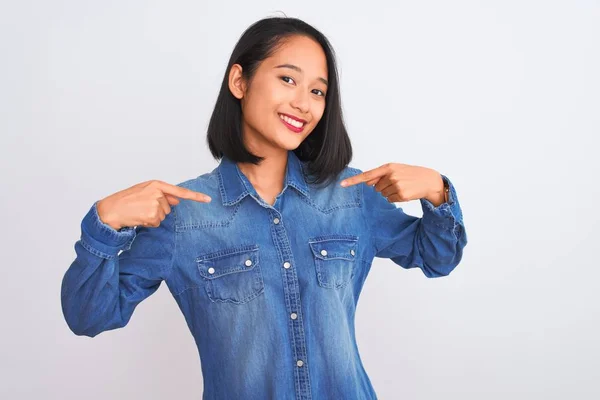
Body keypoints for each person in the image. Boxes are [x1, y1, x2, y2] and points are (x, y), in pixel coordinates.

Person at [61, 16, 468, 400]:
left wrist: (437, 191)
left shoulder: (350, 195)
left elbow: (437, 258)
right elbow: (89, 317)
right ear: (240, 81)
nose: (304, 104)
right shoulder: (183, 217)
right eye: (287, 79)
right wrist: (105, 223)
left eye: (317, 91)